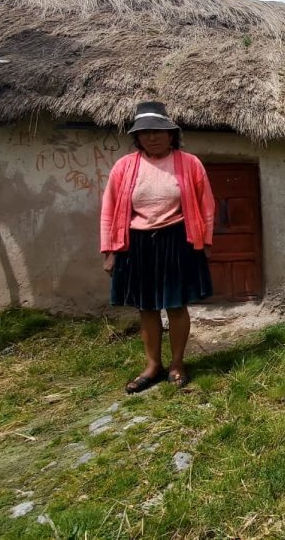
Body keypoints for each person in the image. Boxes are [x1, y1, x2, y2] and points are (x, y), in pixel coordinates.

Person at [100, 101, 215, 393]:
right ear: (137, 137)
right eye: (145, 132)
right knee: (146, 307)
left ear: (171, 134)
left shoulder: (190, 164)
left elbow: (206, 206)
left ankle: (177, 363)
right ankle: (153, 365)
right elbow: (110, 209)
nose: (152, 137)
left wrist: (205, 242)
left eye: (159, 131)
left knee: (176, 305)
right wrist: (110, 250)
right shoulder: (124, 167)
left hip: (177, 239)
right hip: (137, 245)